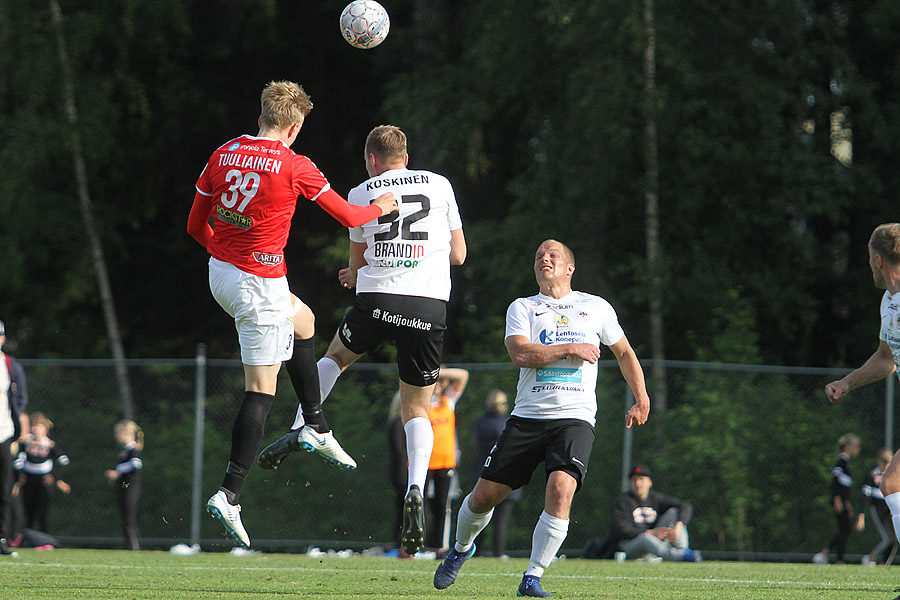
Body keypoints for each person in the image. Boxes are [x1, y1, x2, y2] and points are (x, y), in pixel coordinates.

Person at [187, 80, 398, 548]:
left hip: (220, 272)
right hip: (257, 285)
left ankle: (316, 425)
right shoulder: (294, 164)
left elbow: (194, 224)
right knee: (260, 391)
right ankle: (230, 493)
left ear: (262, 114)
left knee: (305, 322)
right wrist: (380, 206)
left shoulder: (224, 152)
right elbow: (347, 215)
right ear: (295, 125)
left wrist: (228, 257)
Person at [258, 124, 466, 556]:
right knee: (416, 408)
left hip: (377, 300)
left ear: (372, 159)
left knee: (335, 356)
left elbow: (357, 264)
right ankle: (416, 487)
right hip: (427, 308)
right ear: (405, 156)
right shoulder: (440, 184)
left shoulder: (361, 191)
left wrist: (355, 272)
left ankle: (305, 424)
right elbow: (459, 254)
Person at [433, 239, 650, 598]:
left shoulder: (594, 307)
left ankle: (532, 577)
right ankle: (459, 549)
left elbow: (624, 352)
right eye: (538, 256)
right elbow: (520, 353)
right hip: (527, 417)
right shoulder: (523, 307)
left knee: (562, 489)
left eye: (553, 255)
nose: (544, 259)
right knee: (484, 496)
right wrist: (569, 348)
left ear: (570, 268)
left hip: (575, 418)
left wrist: (641, 398)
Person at [609, 465, 700, 562]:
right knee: (645, 538)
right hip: (630, 546)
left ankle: (683, 550)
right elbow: (621, 530)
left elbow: (685, 506)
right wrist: (650, 532)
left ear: (649, 483)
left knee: (674, 512)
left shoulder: (655, 498)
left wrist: (678, 525)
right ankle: (681, 557)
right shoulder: (623, 501)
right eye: (634, 480)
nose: (638, 483)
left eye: (641, 479)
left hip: (654, 543)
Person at [472, 389, 522, 558]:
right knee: (501, 519)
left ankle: (475, 551)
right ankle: (499, 553)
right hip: (507, 472)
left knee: (480, 516)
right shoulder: (509, 423)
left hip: (483, 472)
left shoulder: (479, 423)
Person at [424, 367, 468, 554]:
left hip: (445, 461)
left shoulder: (448, 401)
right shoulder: (422, 402)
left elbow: (462, 375)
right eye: (436, 381)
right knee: (421, 505)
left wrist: (438, 371)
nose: (438, 385)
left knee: (443, 505)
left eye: (441, 382)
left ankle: (439, 546)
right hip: (424, 461)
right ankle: (417, 545)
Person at [12, 413, 71, 535]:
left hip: (44, 481)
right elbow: (19, 461)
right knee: (29, 511)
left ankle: (44, 538)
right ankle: (30, 537)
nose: (35, 430)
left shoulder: (49, 445)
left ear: (45, 429)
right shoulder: (26, 443)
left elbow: (64, 461)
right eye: (34, 427)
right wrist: (20, 475)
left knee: (42, 511)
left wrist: (53, 476)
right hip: (28, 480)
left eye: (39, 427)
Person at [0, 320, 28, 556]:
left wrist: (17, 425)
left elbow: (20, 399)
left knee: (4, 489)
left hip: (4, 433)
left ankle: (2, 538)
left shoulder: (10, 365)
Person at [813, 433, 860, 565]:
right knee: (845, 529)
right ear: (847, 447)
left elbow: (845, 487)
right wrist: (837, 499)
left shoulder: (846, 462)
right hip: (838, 501)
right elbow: (835, 482)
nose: (858, 449)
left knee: (845, 529)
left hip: (843, 501)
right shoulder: (841, 461)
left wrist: (847, 503)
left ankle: (829, 555)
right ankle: (833, 556)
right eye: (855, 446)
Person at [104, 420, 143, 551]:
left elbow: (136, 465)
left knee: (129, 518)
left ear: (126, 433)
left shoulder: (133, 449)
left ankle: (133, 546)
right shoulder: (124, 451)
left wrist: (117, 472)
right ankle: (128, 545)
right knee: (125, 518)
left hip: (131, 488)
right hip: (123, 488)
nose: (116, 436)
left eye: (118, 433)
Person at [858, 447, 896, 566]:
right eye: (884, 462)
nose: (886, 466)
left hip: (890, 511)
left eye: (889, 463)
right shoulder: (872, 476)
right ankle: (870, 558)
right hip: (878, 510)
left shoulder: (893, 476)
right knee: (887, 540)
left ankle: (883, 564)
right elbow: (865, 497)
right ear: (879, 462)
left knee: (895, 540)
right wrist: (861, 515)